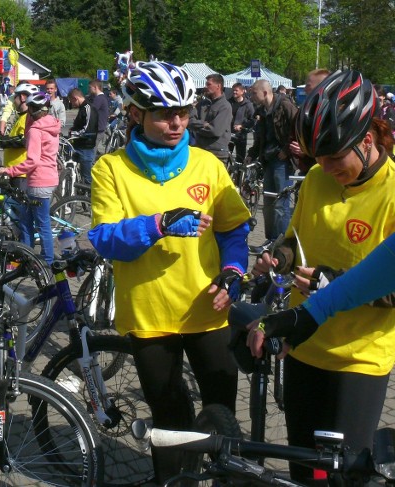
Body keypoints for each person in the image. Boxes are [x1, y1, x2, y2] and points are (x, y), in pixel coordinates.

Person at [88, 60, 251, 484]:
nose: (176, 123)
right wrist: (158, 225)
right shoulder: (111, 168)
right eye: (164, 114)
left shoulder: (207, 165)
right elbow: (105, 240)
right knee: (170, 420)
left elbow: (235, 229)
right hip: (150, 316)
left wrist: (234, 270)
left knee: (222, 415)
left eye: (183, 112)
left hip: (206, 309)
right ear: (135, 114)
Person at [245, 70, 395, 485]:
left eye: (333, 158)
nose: (325, 168)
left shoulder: (392, 192)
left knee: (344, 475)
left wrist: (335, 281)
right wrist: (279, 256)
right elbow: (295, 239)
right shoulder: (315, 178)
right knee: (304, 467)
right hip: (305, 345)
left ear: (367, 140)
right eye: (318, 157)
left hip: (358, 358)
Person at [0, 92, 60, 263]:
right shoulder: (51, 124)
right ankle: (27, 255)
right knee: (25, 219)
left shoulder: (35, 130)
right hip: (49, 178)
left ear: (31, 110)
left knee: (42, 223)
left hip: (39, 181)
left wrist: (8, 170)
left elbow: (32, 160)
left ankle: (46, 261)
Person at [246, 78, 298, 242]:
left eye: (254, 93)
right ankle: (270, 240)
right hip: (268, 161)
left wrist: (287, 150)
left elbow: (299, 129)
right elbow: (260, 137)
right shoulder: (261, 111)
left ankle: (282, 242)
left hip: (283, 163)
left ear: (265, 92)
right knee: (268, 203)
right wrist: (252, 154)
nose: (252, 96)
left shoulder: (285, 106)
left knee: (281, 204)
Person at [288, 69, 331, 173]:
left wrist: (307, 152)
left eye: (308, 85)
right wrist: (297, 149)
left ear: (322, 86)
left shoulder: (334, 112)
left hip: (329, 170)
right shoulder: (303, 111)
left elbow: (333, 147)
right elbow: (292, 136)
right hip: (307, 170)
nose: (305, 89)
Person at [188, 73, 232, 164]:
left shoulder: (225, 106)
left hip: (217, 154)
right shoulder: (202, 104)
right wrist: (204, 124)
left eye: (209, 84)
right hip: (200, 150)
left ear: (218, 86)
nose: (205, 87)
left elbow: (215, 131)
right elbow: (189, 122)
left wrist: (198, 127)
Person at [67, 88, 98, 184]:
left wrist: (73, 133)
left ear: (75, 98)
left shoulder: (88, 108)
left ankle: (88, 198)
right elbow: (80, 125)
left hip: (86, 147)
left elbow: (88, 128)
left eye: (72, 101)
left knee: (87, 178)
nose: (72, 104)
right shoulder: (82, 108)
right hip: (78, 145)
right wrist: (72, 129)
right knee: (76, 173)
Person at [228, 82, 255, 163]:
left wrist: (242, 126)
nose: (234, 92)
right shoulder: (228, 103)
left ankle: (239, 175)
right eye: (233, 90)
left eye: (236, 90)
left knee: (240, 158)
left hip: (241, 136)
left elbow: (253, 120)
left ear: (242, 91)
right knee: (226, 157)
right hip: (228, 134)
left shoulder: (248, 104)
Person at [88, 79, 109, 156]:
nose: (89, 89)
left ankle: (90, 167)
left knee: (91, 152)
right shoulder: (103, 97)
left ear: (95, 87)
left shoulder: (99, 98)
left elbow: (91, 112)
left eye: (90, 87)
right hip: (100, 128)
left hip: (98, 129)